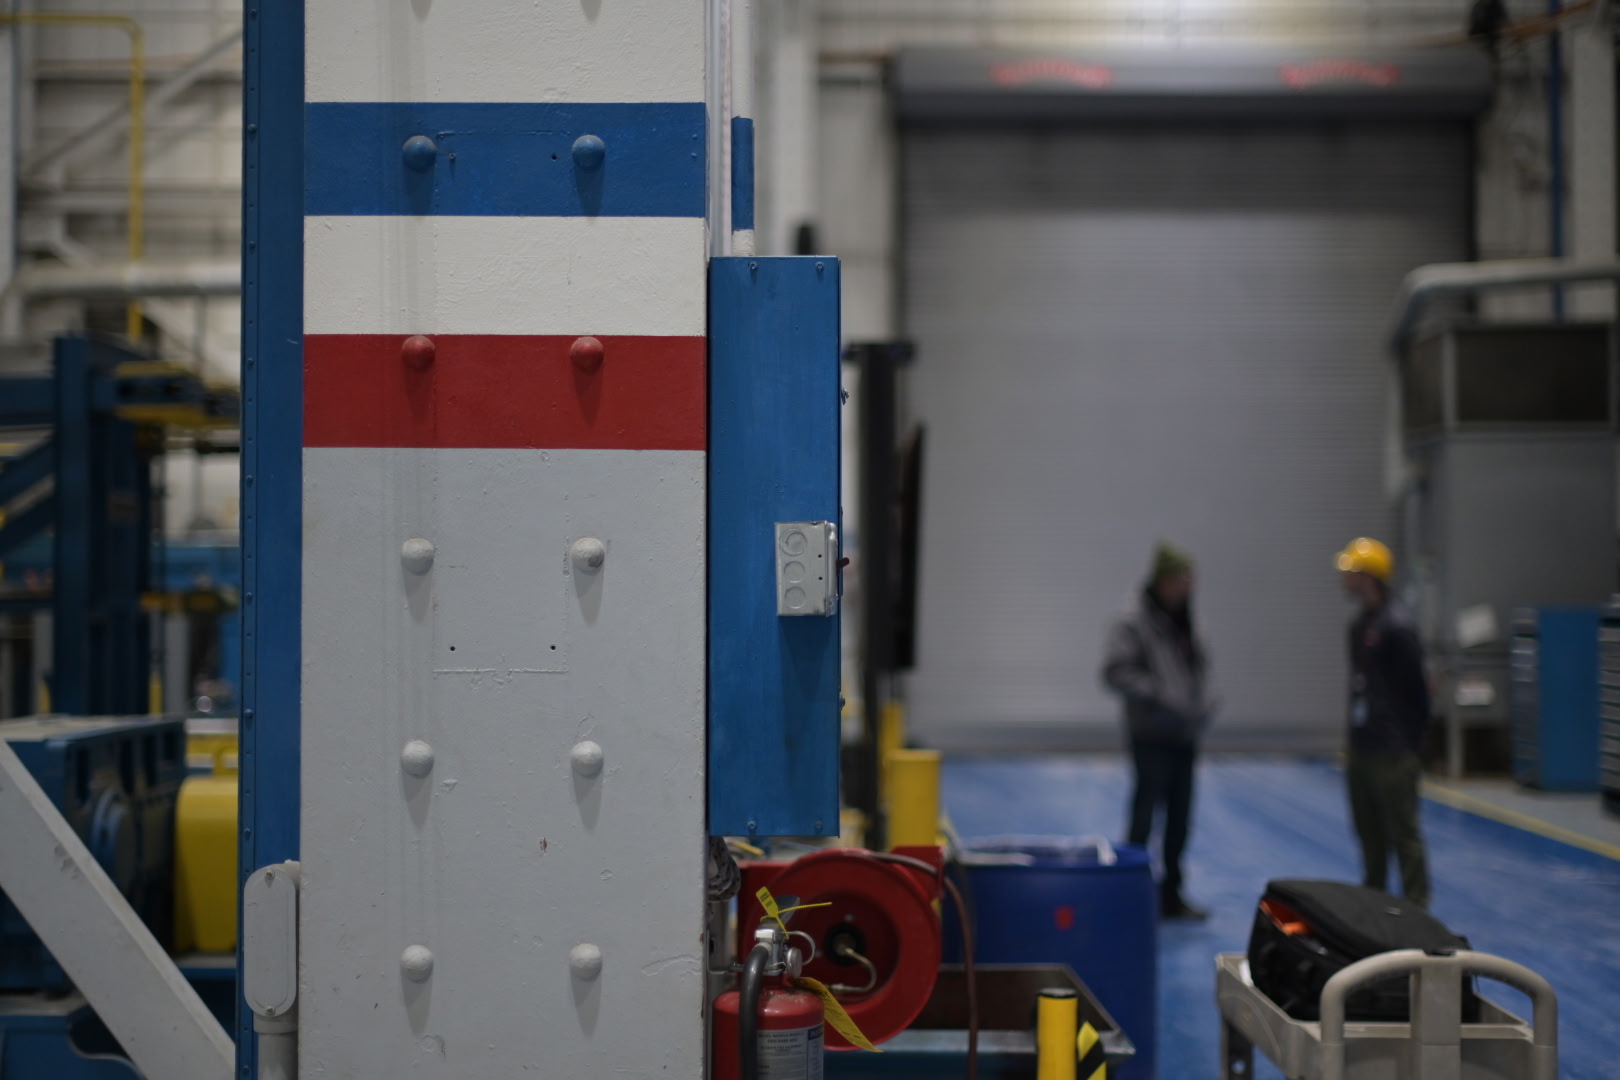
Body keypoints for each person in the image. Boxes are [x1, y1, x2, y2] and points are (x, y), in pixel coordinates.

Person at [1102, 543, 1216, 920]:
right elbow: (1115, 671)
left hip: (1184, 734)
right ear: (1163, 581)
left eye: (1189, 580)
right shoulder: (1133, 620)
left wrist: (1201, 704)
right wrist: (1160, 696)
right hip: (1151, 735)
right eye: (1180, 580)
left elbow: (1196, 668)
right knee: (1145, 815)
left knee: (1180, 819)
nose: (1186, 587)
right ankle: (1128, 890)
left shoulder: (1186, 618)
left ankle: (1171, 895)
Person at [1336, 537, 1431, 908]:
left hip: (1392, 752)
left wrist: (1408, 745)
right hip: (1363, 747)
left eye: (1350, 572)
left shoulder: (1398, 628)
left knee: (1403, 834)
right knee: (1369, 834)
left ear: (1369, 576)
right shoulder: (1359, 626)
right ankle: (1373, 905)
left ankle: (1417, 906)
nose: (1344, 580)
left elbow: (1417, 695)